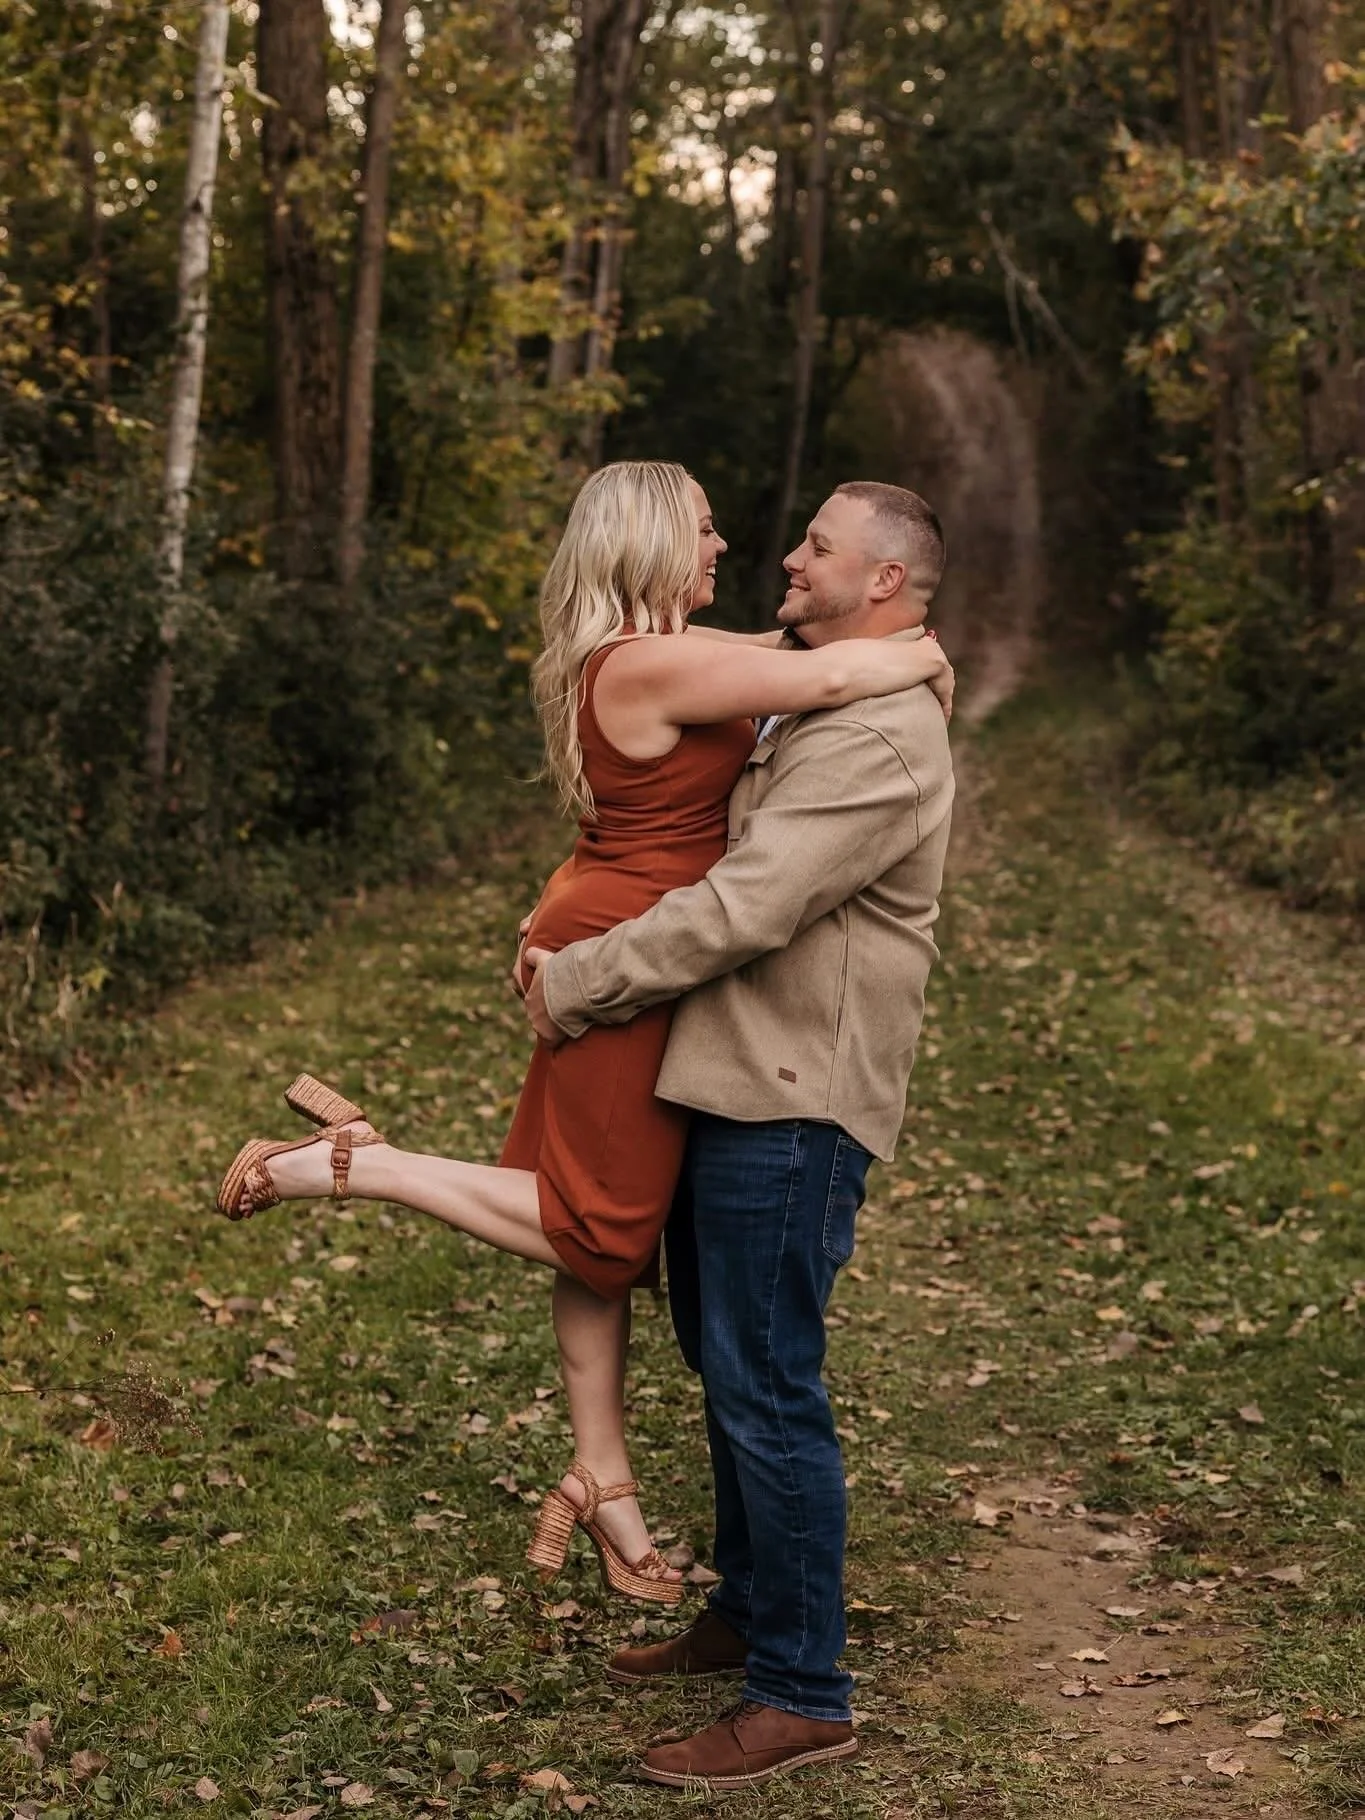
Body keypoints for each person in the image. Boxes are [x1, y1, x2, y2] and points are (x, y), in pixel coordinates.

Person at [214, 462, 953, 1610]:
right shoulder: (658, 661)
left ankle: (604, 1472)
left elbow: (777, 669)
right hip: (625, 954)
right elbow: (851, 662)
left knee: (587, 1224)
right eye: (706, 528)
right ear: (657, 541)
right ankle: (360, 1161)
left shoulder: (654, 653)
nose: (734, 548)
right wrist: (928, 654)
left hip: (613, 920)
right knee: (598, 1229)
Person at [519, 480, 955, 1790]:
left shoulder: (876, 734)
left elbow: (739, 909)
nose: (785, 555)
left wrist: (579, 980)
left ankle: (803, 1693)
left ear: (881, 580)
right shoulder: (817, 683)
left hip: (795, 1093)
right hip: (729, 1074)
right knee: (730, 1372)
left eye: (817, 545)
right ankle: (749, 1616)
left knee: (769, 1388)